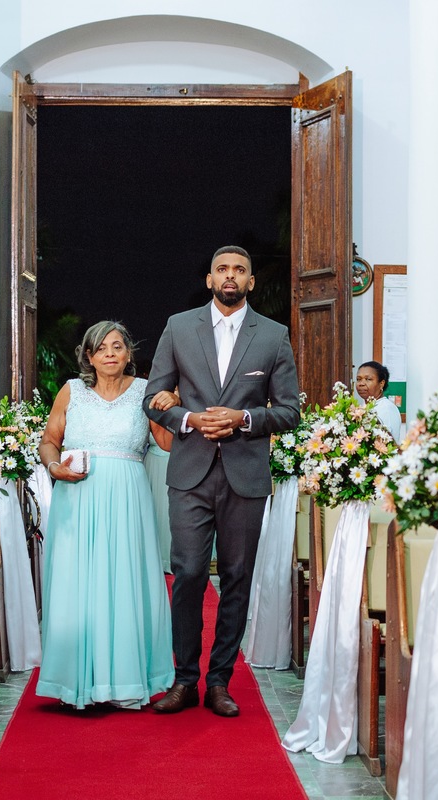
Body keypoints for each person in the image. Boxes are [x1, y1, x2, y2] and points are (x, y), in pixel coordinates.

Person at [144, 245, 301, 717]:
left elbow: (289, 410)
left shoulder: (273, 336)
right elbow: (153, 396)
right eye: (222, 270)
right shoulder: (178, 326)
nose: (230, 276)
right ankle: (185, 679)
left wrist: (244, 419)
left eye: (239, 270)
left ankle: (219, 682)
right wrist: (189, 420)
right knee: (188, 574)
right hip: (190, 472)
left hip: (246, 475)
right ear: (209, 278)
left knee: (236, 579)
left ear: (251, 281)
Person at [35, 320, 178, 709]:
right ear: (89, 356)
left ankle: (126, 679)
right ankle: (75, 681)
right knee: (79, 583)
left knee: (125, 579)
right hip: (77, 498)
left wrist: (172, 407)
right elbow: (50, 441)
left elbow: (165, 443)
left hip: (127, 500)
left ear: (129, 353)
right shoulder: (71, 391)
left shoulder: (145, 391)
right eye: (101, 348)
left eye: (117, 346)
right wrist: (54, 468)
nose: (110, 354)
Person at [354, 360, 402, 441]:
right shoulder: (365, 407)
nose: (361, 383)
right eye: (358, 379)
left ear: (381, 383)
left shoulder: (386, 408)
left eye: (368, 379)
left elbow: (387, 443)